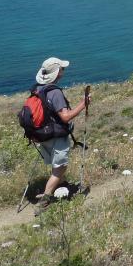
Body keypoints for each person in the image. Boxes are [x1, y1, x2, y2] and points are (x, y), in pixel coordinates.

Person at [32, 57, 90, 215]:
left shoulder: (38, 89)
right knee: (61, 166)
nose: (64, 70)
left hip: (43, 135)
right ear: (57, 73)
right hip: (56, 135)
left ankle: (63, 185)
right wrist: (83, 104)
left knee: (56, 164)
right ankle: (45, 199)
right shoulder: (55, 92)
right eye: (62, 69)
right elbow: (65, 117)